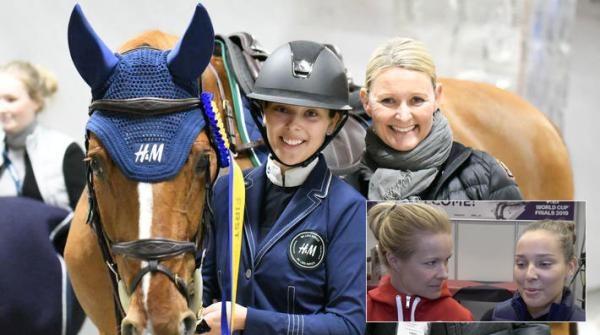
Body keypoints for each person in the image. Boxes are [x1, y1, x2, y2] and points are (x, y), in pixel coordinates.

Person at [201, 40, 366, 335]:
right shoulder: (227, 190)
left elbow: (348, 325)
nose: (293, 127)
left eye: (311, 114)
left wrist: (248, 320)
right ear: (263, 111)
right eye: (281, 109)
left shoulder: (347, 209)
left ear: (333, 122)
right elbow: (208, 292)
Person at [348, 37, 522, 200]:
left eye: (417, 100)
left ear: (437, 97)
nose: (403, 116)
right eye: (388, 101)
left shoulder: (487, 176)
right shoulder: (343, 180)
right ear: (365, 101)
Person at [0, 60, 85, 210]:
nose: (2, 108)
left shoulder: (65, 151)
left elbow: (88, 220)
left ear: (37, 101)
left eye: (11, 100)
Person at [366, 201, 473, 321]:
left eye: (446, 260)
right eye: (431, 263)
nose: (444, 274)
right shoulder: (361, 314)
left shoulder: (459, 318)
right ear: (394, 261)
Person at [485, 220, 585, 321]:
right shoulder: (494, 318)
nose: (529, 275)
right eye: (521, 264)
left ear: (570, 267)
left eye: (544, 264)